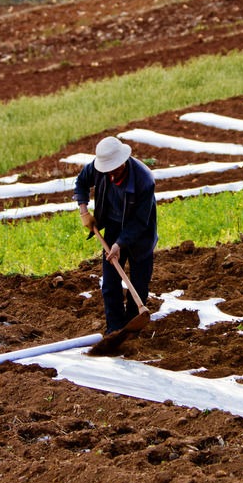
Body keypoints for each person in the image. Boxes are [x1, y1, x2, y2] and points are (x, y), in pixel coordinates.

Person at [74, 136, 158, 335]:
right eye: (108, 169)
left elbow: (140, 221)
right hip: (112, 227)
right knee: (110, 284)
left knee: (138, 284)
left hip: (140, 234)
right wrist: (84, 211)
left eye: (116, 168)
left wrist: (120, 244)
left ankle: (132, 328)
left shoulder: (144, 180)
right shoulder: (98, 168)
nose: (112, 172)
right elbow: (81, 182)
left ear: (123, 160)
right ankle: (114, 330)